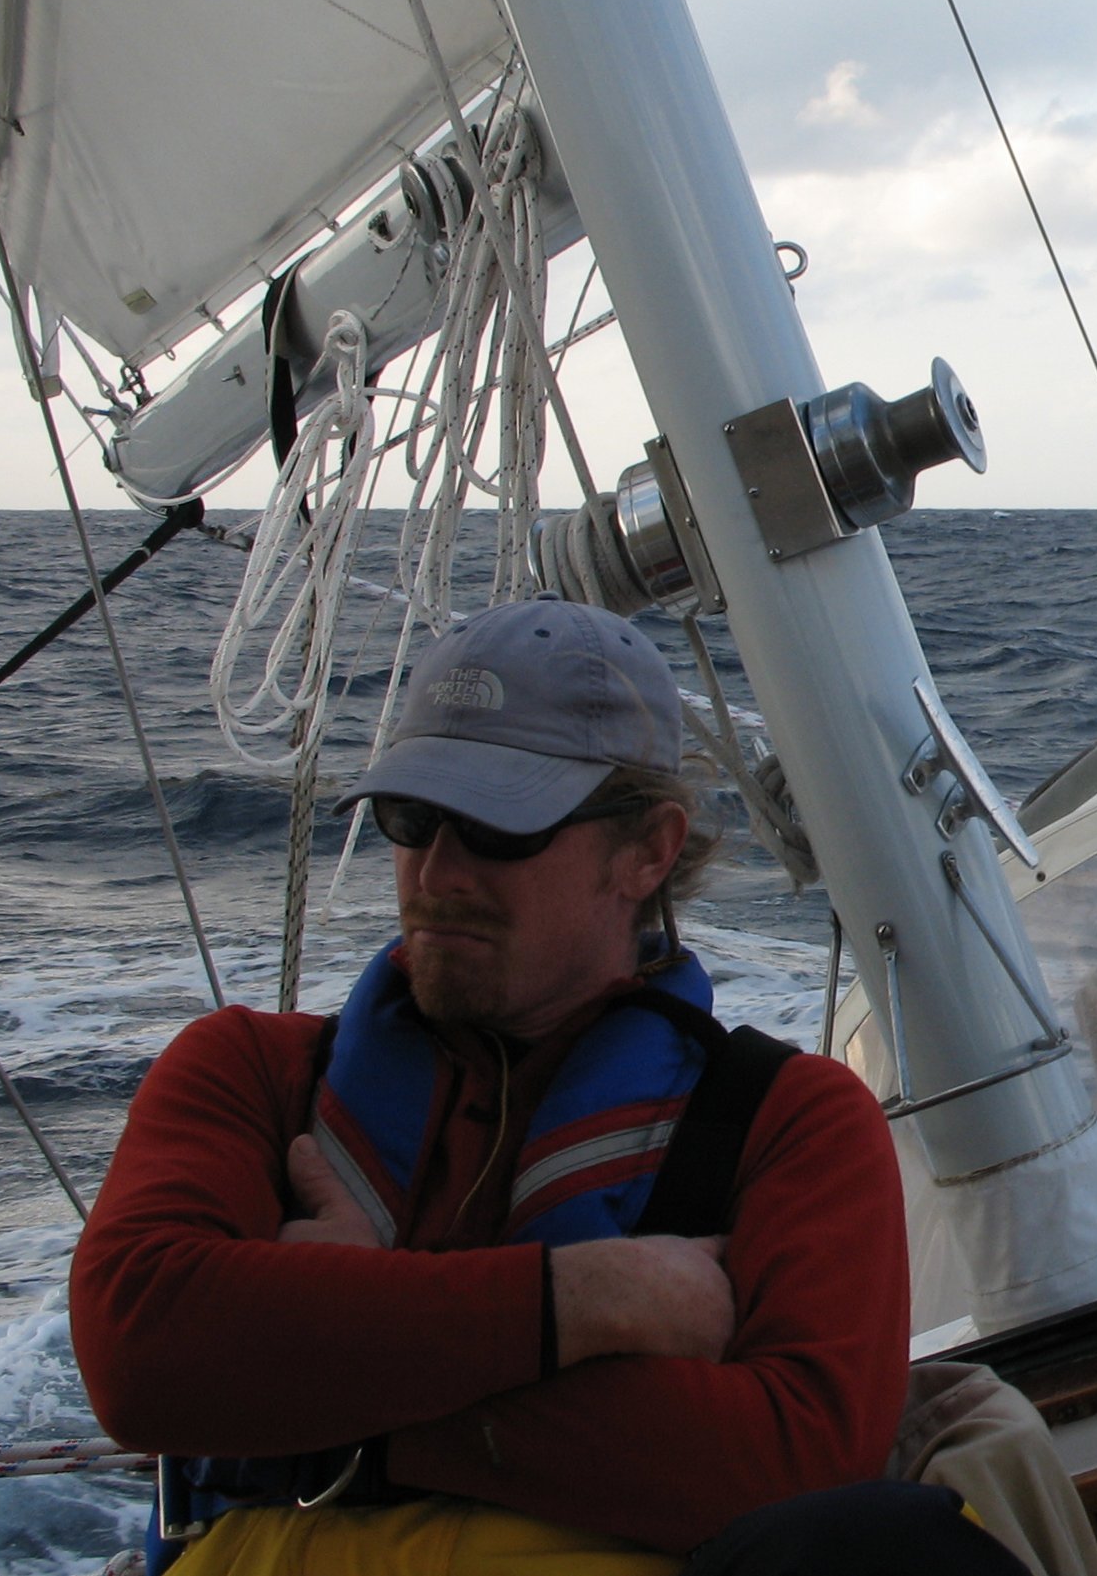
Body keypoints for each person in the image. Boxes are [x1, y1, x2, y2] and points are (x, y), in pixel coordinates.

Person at [69, 599, 1020, 1575]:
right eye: (412, 818)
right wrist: (581, 1304)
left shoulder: (786, 1124)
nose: (437, 872)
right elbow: (139, 1353)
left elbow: (802, 1464)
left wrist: (334, 1357)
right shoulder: (247, 1072)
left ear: (647, 849)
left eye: (496, 825)